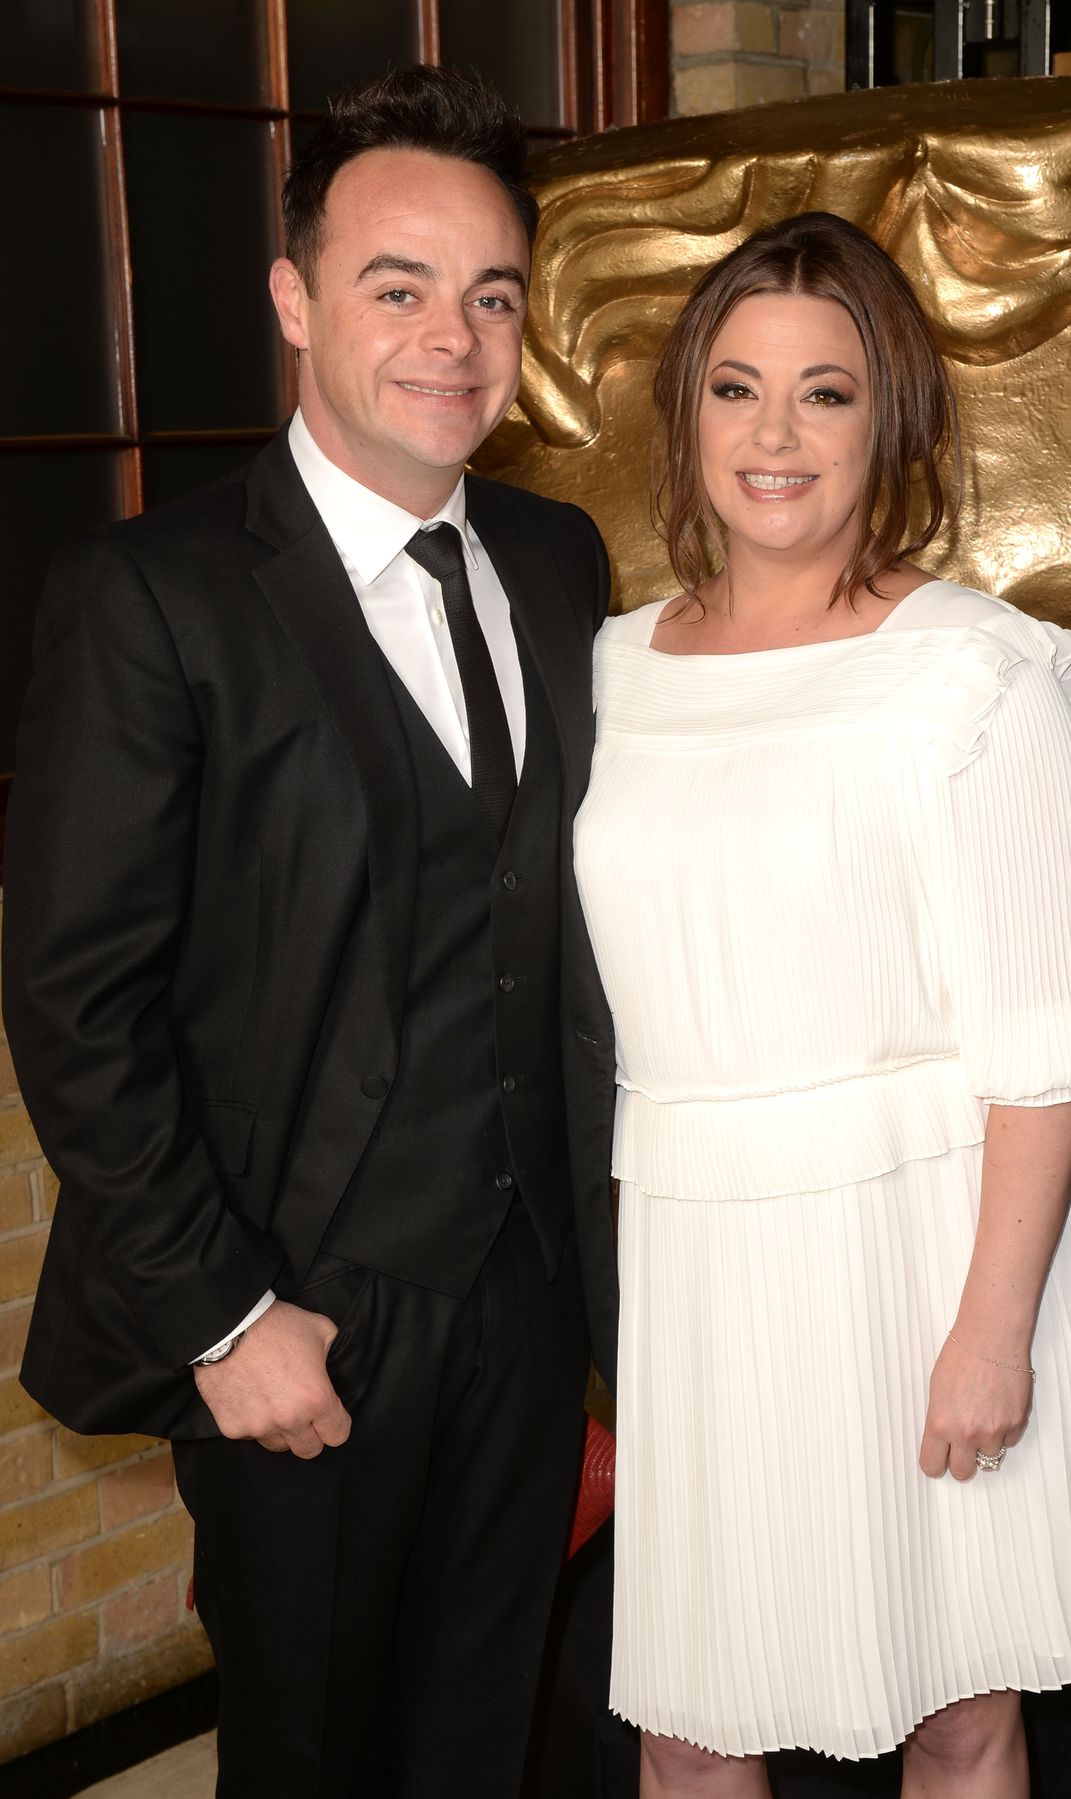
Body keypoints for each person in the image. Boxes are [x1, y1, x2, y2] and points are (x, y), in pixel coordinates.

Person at [5, 66, 618, 1799]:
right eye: (396, 287)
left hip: (527, 1297)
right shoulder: (152, 597)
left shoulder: (559, 561)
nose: (453, 341)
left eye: (491, 295)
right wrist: (223, 1319)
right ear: (294, 300)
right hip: (298, 1311)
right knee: (309, 1759)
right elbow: (76, 1003)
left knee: (484, 1740)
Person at [574, 212, 1071, 1798]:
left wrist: (993, 1334)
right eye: (736, 387)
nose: (774, 435)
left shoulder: (976, 675)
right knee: (692, 1722)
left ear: (891, 420)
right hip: (694, 1259)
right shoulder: (608, 668)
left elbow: (1049, 1045)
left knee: (957, 1713)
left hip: (927, 1253)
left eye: (824, 393)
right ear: (687, 413)